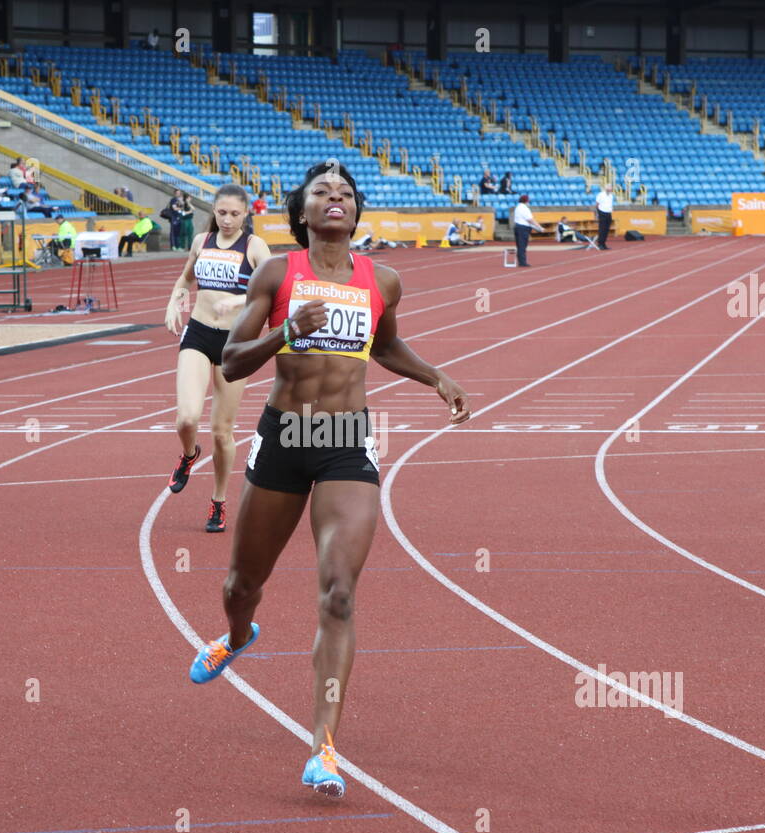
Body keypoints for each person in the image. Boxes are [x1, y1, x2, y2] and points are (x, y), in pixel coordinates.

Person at [186, 160, 471, 797]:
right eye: (322, 192)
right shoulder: (276, 272)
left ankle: (324, 749)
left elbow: (385, 345)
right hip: (285, 435)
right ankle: (237, 635)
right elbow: (230, 363)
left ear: (356, 210)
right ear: (303, 211)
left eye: (345, 193)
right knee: (240, 584)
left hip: (345, 441)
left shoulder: (384, 280)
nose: (335, 199)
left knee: (339, 594)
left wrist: (436, 377)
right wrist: (287, 330)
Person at [163, 184, 271, 532]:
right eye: (221, 212)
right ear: (214, 210)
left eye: (234, 214)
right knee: (186, 418)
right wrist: (174, 300)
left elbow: (271, 288)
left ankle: (218, 501)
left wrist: (238, 302)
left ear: (245, 215)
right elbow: (185, 277)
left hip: (234, 342)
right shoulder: (201, 241)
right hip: (198, 332)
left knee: (222, 433)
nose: (227, 219)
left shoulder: (254, 247)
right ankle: (190, 454)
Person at [510, 193, 544, 266]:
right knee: (522, 245)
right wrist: (539, 227)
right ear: (526, 201)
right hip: (523, 228)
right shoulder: (524, 208)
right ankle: (522, 262)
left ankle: (521, 261)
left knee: (520, 245)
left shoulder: (518, 207)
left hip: (518, 227)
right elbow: (530, 220)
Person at [594, 182, 614, 250]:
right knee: (602, 229)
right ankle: (600, 243)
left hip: (608, 213)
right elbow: (597, 204)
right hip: (602, 212)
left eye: (611, 187)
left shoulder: (611, 196)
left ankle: (604, 243)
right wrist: (597, 213)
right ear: (606, 188)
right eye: (610, 187)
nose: (611, 189)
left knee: (606, 229)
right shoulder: (600, 195)